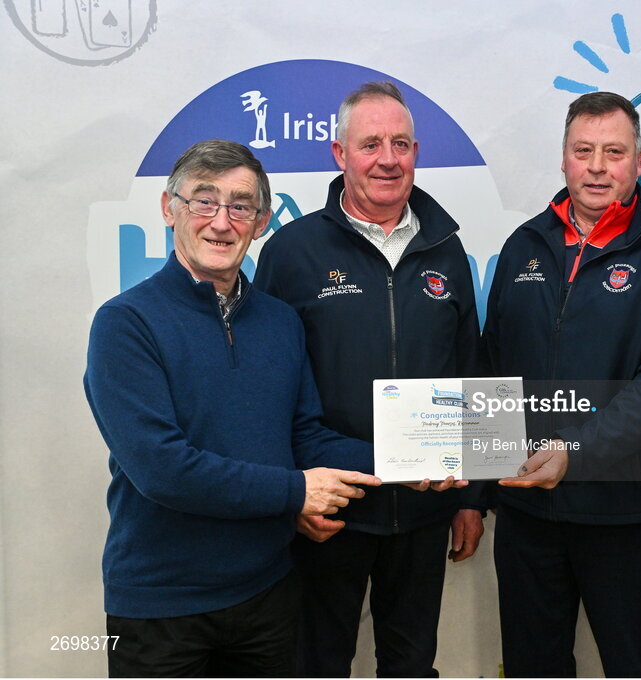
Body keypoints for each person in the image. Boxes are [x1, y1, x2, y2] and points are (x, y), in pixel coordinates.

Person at [84, 139, 381, 677]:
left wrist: (417, 458)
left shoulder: (280, 322)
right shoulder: (125, 324)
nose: (221, 222)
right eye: (204, 201)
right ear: (169, 208)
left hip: (269, 595)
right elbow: (163, 470)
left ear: (261, 220)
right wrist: (296, 491)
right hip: (162, 610)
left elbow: (306, 439)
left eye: (240, 206)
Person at [253, 81, 484, 678]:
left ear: (416, 152)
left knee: (412, 666)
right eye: (371, 143)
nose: (388, 158)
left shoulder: (447, 250)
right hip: (331, 509)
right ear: (339, 154)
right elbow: (264, 390)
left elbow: (468, 372)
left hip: (425, 512)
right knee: (316, 665)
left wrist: (469, 499)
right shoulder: (290, 252)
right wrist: (290, 498)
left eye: (401, 143)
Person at [482, 91, 641, 677]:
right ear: (563, 159)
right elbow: (491, 368)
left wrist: (574, 453)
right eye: (585, 151)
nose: (598, 166)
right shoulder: (523, 246)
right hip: (528, 514)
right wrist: (474, 490)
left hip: (628, 518)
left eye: (615, 151)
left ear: (638, 163)